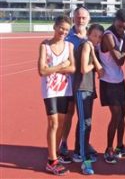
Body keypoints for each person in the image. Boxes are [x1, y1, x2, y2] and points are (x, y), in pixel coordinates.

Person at [38, 15, 75, 175]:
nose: (63, 31)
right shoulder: (44, 45)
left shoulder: (69, 46)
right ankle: (51, 161)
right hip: (50, 90)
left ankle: (56, 153)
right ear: (55, 26)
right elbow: (42, 71)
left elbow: (73, 68)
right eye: (61, 28)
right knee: (53, 123)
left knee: (61, 123)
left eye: (66, 29)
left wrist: (52, 68)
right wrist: (61, 65)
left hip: (65, 89)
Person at [59, 6, 97, 159]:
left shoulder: (93, 37)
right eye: (78, 17)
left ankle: (82, 145)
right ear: (73, 18)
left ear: (88, 19)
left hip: (86, 84)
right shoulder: (67, 38)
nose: (80, 20)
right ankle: (64, 142)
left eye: (83, 18)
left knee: (84, 118)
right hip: (69, 84)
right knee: (69, 114)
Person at [98, 8, 125, 164]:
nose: (122, 29)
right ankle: (108, 149)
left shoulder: (122, 35)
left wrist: (124, 44)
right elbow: (120, 60)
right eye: (120, 26)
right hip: (108, 81)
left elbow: (122, 57)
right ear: (115, 20)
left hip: (119, 80)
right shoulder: (108, 36)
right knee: (116, 114)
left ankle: (119, 145)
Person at [72, 24, 104, 175]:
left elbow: (100, 71)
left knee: (85, 122)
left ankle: (79, 150)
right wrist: (94, 61)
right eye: (94, 35)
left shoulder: (92, 47)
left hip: (89, 89)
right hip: (82, 88)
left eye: (99, 36)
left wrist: (94, 54)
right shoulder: (86, 45)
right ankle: (84, 160)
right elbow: (84, 68)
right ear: (89, 34)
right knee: (85, 124)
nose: (97, 39)